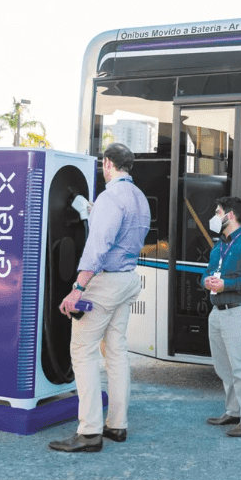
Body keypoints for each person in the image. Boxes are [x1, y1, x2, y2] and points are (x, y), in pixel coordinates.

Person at [50, 143, 150, 453]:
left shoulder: (110, 197)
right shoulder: (139, 198)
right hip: (127, 279)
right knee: (116, 351)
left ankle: (89, 432)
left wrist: (77, 288)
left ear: (107, 163)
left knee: (82, 351)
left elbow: (97, 247)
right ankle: (117, 425)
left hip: (104, 282)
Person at [202, 196, 241, 437]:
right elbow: (206, 272)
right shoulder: (219, 246)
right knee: (224, 367)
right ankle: (234, 411)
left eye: (218, 212)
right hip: (218, 313)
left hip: (240, 312)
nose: (215, 216)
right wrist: (206, 281)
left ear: (230, 216)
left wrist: (226, 285)